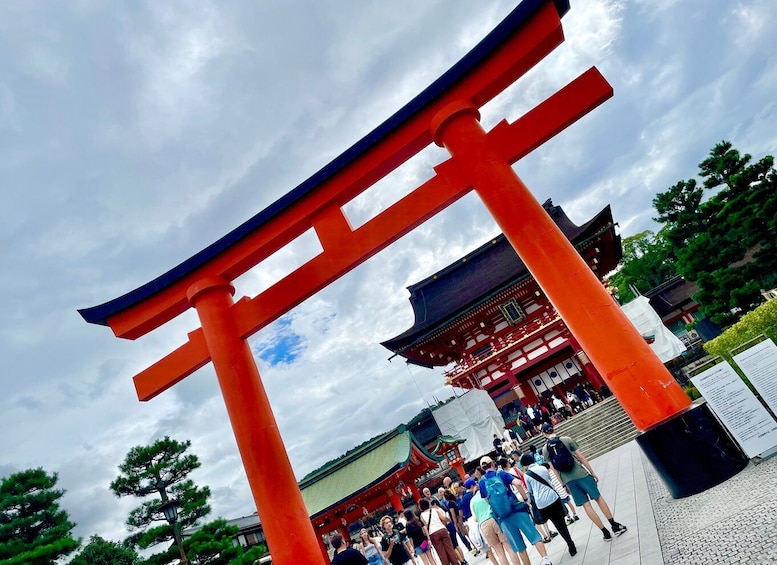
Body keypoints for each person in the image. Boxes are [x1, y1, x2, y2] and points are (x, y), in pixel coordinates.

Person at [540, 423, 627, 542]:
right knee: (598, 498)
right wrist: (591, 471)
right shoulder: (566, 439)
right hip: (581, 473)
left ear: (544, 434)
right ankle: (614, 526)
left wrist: (563, 484)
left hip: (568, 480)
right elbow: (580, 457)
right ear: (553, 428)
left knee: (586, 505)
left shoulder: (545, 449)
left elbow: (554, 469)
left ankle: (605, 532)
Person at [478, 456, 552, 565]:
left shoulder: (482, 482)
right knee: (534, 536)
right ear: (493, 463)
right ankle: (546, 560)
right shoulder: (501, 473)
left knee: (519, 546)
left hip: (503, 518)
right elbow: (518, 483)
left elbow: (486, 499)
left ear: (482, 468)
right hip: (516, 509)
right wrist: (525, 499)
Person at [520, 452, 577, 557]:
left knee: (554, 523)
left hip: (542, 504)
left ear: (525, 464)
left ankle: (563, 540)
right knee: (560, 522)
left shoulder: (527, 475)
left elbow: (531, 491)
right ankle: (570, 542)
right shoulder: (543, 468)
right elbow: (549, 481)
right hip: (553, 498)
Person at [419, 499, 459, 565]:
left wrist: (428, 539)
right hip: (442, 529)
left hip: (433, 533)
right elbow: (443, 518)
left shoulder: (422, 515)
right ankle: (455, 563)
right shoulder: (435, 510)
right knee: (450, 549)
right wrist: (448, 519)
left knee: (441, 553)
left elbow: (426, 527)